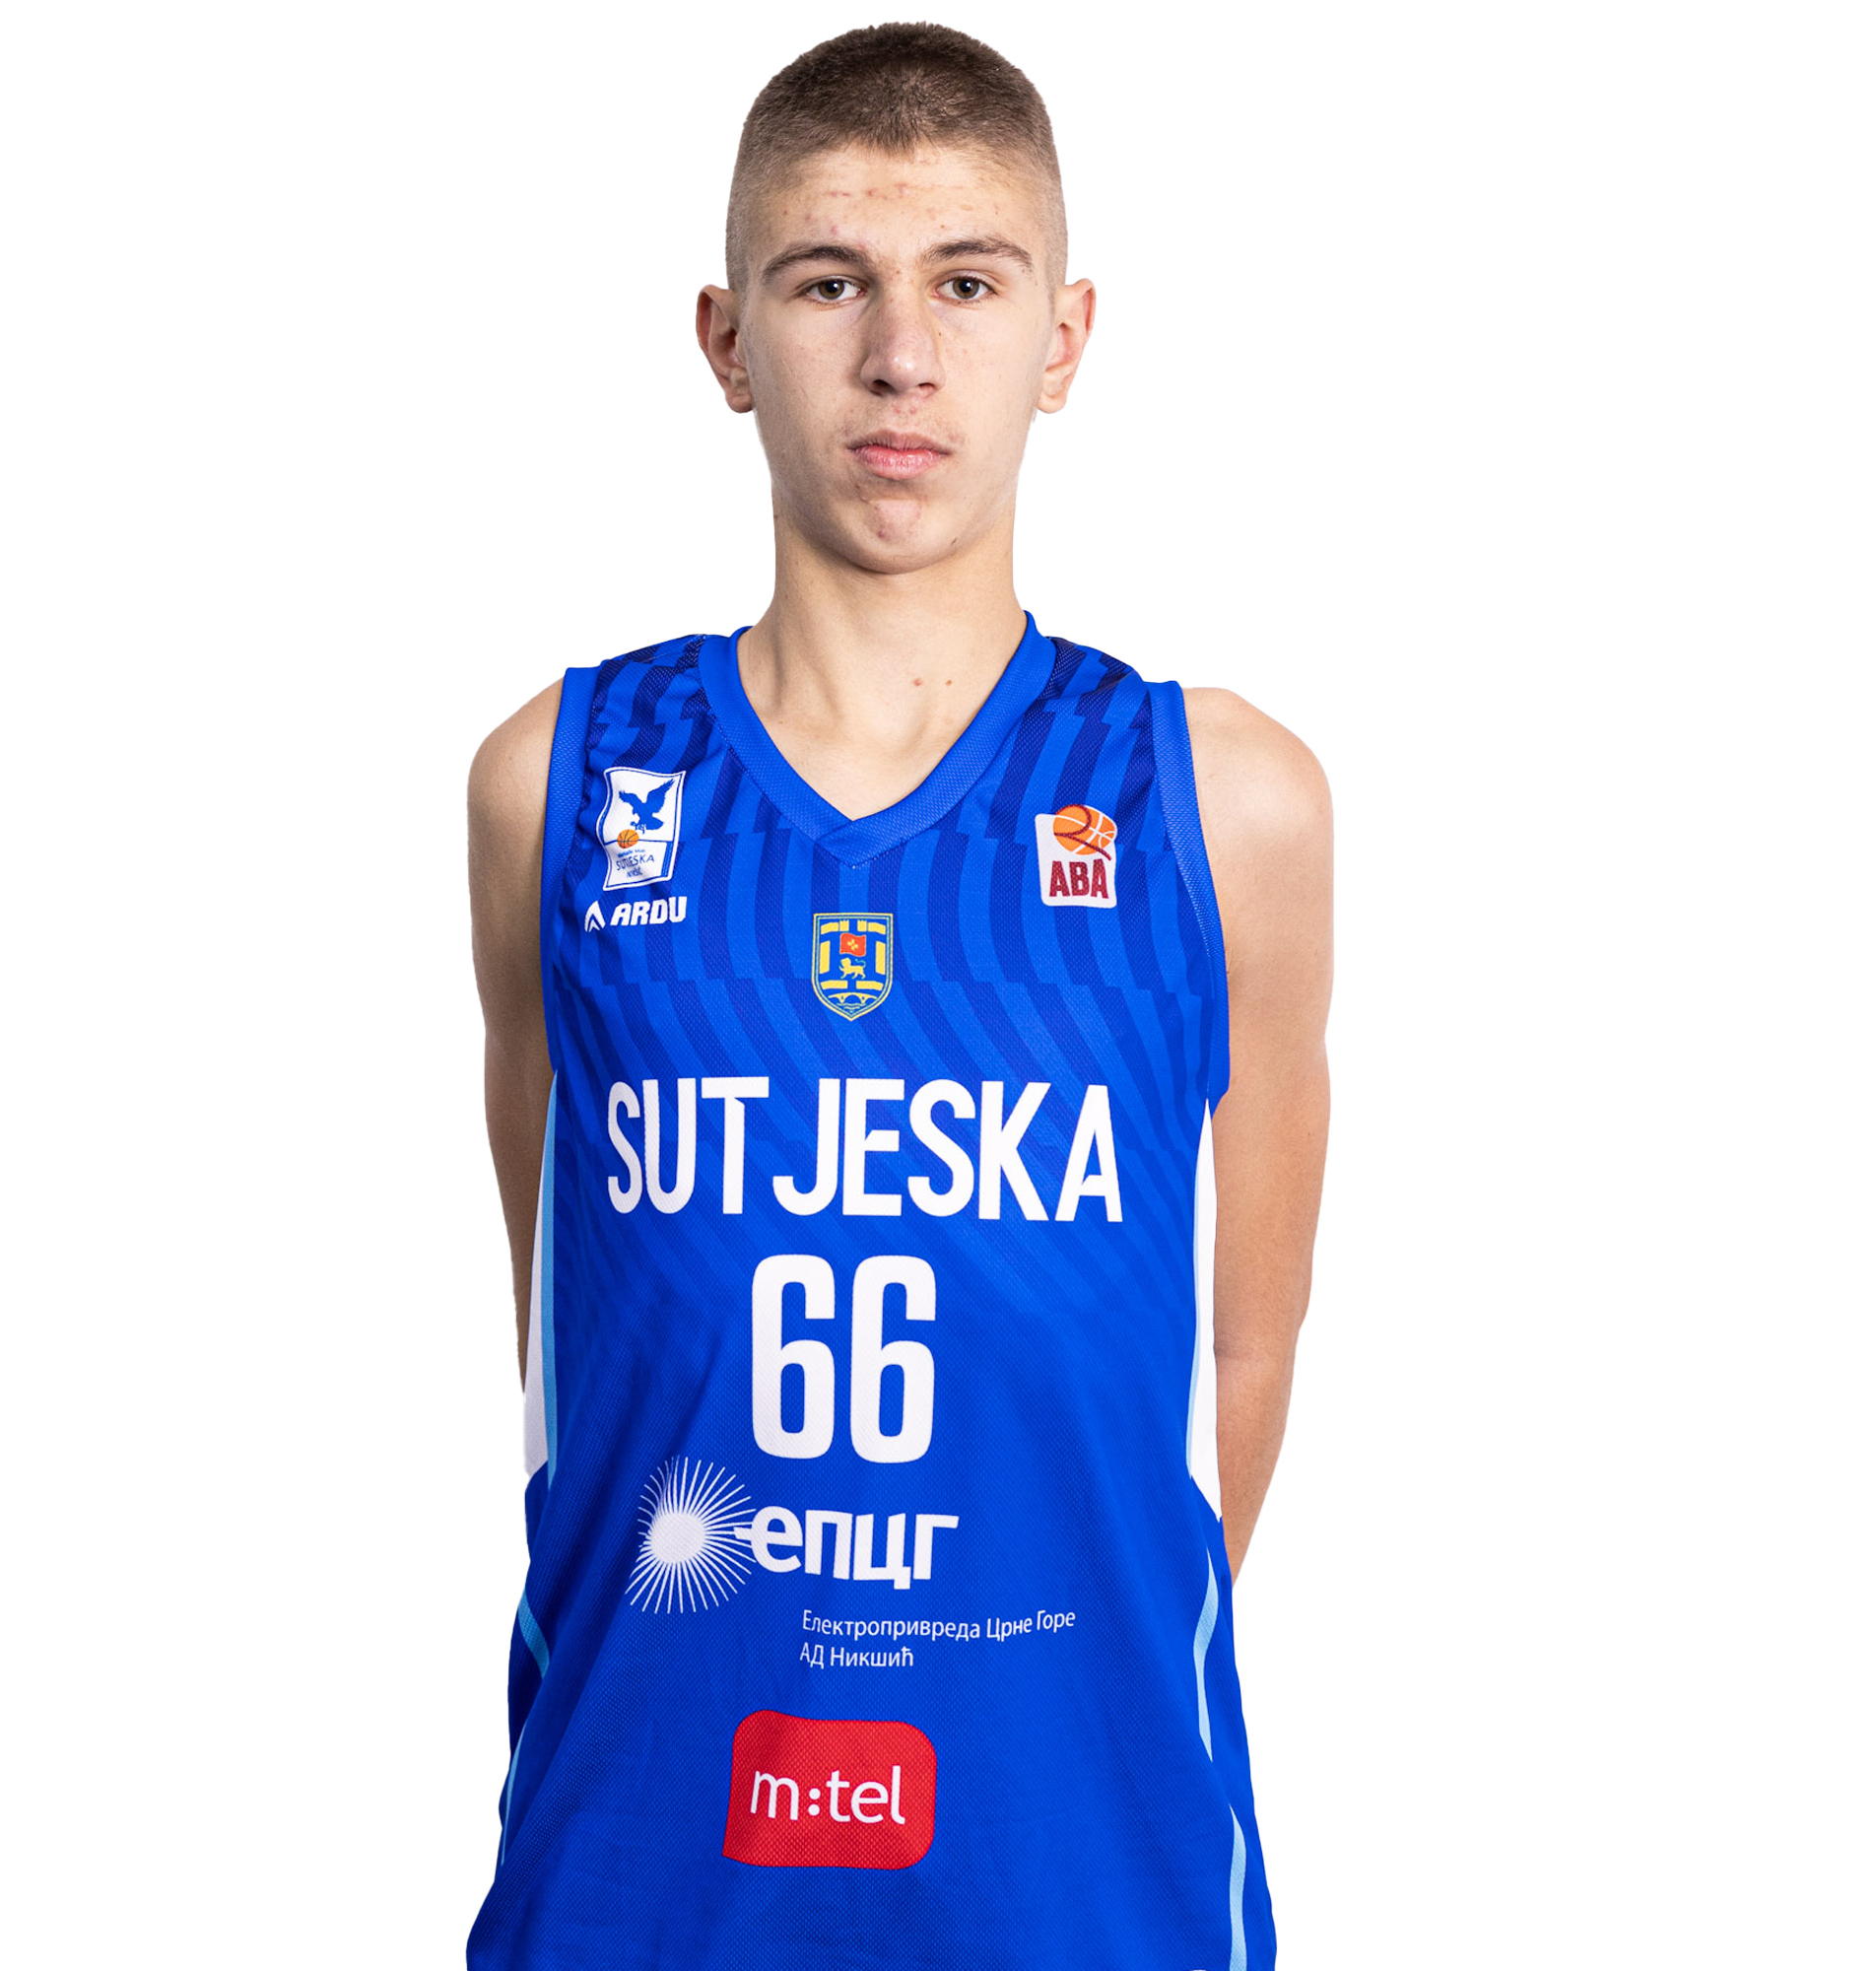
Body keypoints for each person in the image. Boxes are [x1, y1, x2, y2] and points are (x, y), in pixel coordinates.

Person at [465, 22, 1330, 1968]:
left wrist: (1044, 1671)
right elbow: (570, 1352)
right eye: (828, 282)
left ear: (1065, 336)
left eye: (968, 283)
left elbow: (1239, 1363)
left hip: (1078, 1880)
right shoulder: (558, 788)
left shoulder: (1224, 800)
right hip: (644, 1879)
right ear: (725, 338)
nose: (901, 358)